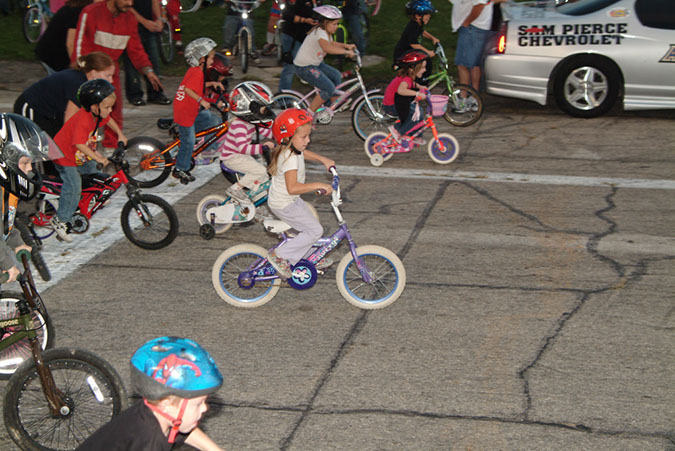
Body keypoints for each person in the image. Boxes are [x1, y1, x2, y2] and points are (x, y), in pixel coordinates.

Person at [76, 336, 224, 450]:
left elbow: (186, 431)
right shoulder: (148, 441)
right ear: (165, 404)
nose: (205, 408)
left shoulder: (153, 413)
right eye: (198, 404)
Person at [72, 0, 163, 149]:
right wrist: (83, 74)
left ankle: (112, 148)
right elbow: (79, 46)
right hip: (89, 71)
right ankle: (80, 147)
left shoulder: (130, 18)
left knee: (114, 110)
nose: (130, 3)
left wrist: (148, 70)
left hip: (111, 72)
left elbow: (136, 49)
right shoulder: (91, 12)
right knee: (84, 112)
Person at [50, 79, 126, 242]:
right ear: (94, 107)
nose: (110, 110)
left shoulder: (97, 114)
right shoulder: (83, 119)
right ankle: (60, 219)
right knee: (74, 185)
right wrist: (99, 157)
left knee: (94, 173)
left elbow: (108, 120)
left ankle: (87, 198)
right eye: (107, 107)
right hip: (64, 155)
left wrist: (120, 134)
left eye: (111, 107)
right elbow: (79, 144)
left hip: (79, 154)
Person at [265, 108, 335, 279]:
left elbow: (303, 152)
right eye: (304, 137)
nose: (308, 140)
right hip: (284, 203)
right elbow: (293, 188)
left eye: (308, 136)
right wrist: (318, 185)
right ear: (288, 137)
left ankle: (308, 258)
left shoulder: (291, 149)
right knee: (315, 230)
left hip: (289, 200)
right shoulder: (289, 158)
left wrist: (323, 159)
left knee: (311, 226)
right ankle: (279, 255)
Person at [0, 114, 57, 283]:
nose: (31, 169)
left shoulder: (7, 190)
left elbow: (5, 224)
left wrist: (17, 243)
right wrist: (7, 264)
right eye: (25, 163)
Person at [14, 52, 115, 138]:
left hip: (52, 112)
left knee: (54, 145)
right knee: (36, 144)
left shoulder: (88, 84)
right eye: (108, 75)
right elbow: (69, 121)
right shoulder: (78, 85)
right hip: (32, 106)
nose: (111, 80)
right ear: (93, 73)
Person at [172, 37, 225, 185]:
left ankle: (203, 145)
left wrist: (212, 83)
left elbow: (198, 86)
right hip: (185, 112)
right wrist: (201, 100)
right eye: (211, 58)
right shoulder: (196, 72)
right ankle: (180, 169)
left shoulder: (197, 71)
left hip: (192, 109)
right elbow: (188, 89)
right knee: (188, 141)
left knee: (212, 120)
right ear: (202, 58)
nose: (212, 61)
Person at [217, 81, 276, 205]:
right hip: (231, 158)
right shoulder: (239, 125)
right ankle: (235, 189)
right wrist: (263, 147)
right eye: (262, 109)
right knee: (260, 171)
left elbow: (266, 132)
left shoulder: (251, 122)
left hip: (241, 156)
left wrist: (283, 136)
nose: (264, 112)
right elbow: (243, 148)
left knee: (264, 178)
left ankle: (254, 205)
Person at [293, 5, 356, 114]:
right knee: (328, 88)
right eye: (334, 24)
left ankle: (330, 104)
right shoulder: (320, 32)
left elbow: (331, 43)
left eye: (337, 24)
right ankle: (309, 114)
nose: (336, 26)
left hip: (315, 64)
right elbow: (327, 48)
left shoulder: (325, 32)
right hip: (305, 67)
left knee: (336, 75)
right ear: (326, 23)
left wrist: (346, 46)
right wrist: (346, 52)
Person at [451, 0, 506, 100]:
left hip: (473, 27)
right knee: (474, 64)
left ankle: (464, 97)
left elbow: (479, 5)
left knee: (462, 65)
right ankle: (474, 96)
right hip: (476, 27)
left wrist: (466, 23)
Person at [122, 0, 172, 106]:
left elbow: (155, 1)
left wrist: (159, 19)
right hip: (130, 24)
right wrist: (144, 22)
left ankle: (156, 93)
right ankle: (135, 95)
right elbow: (127, 6)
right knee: (132, 63)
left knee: (153, 60)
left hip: (149, 27)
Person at [34, 0, 94, 75]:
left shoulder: (76, 8)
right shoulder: (77, 12)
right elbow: (70, 44)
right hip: (54, 55)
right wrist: (80, 67)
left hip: (54, 52)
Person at [382, 50, 428, 141]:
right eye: (422, 67)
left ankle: (415, 135)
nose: (425, 70)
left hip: (398, 103)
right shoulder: (406, 79)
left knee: (419, 111)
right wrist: (417, 93)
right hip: (392, 105)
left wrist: (420, 87)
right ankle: (398, 131)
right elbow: (401, 90)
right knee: (414, 115)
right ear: (412, 68)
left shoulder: (408, 77)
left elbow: (412, 84)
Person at [278, 0, 320, 92]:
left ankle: (322, 93)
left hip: (309, 37)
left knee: (317, 64)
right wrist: (304, 20)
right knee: (290, 67)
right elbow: (286, 15)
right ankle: (283, 96)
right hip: (293, 36)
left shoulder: (317, 2)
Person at [393, 0, 439, 83]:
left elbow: (421, 32)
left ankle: (419, 85)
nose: (429, 16)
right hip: (403, 56)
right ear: (418, 16)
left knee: (426, 64)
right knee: (419, 70)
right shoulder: (413, 26)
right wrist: (428, 52)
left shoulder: (417, 24)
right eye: (427, 14)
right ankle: (415, 87)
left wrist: (432, 38)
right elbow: (414, 44)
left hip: (409, 55)